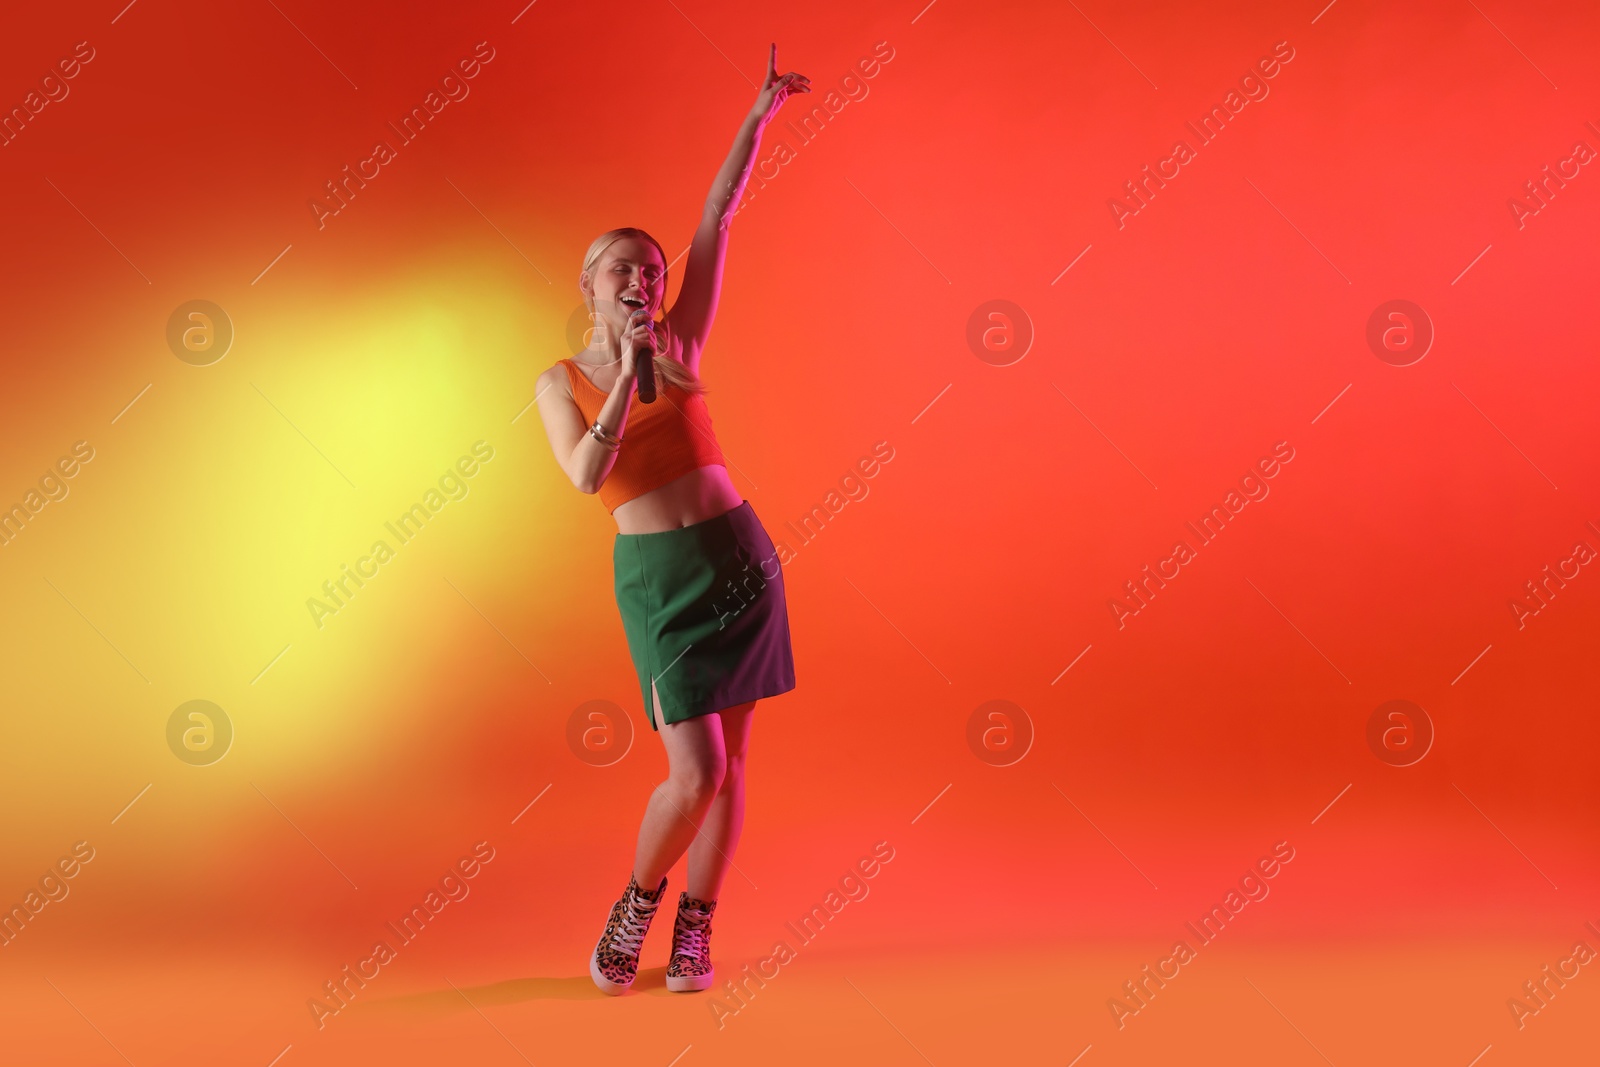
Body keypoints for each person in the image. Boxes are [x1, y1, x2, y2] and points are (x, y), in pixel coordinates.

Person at [533, 45, 811, 996]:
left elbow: (717, 211)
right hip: (659, 580)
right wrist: (627, 379)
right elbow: (584, 473)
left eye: (651, 269)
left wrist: (761, 114)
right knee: (691, 772)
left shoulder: (683, 342)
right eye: (622, 268)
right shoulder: (561, 380)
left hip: (741, 556)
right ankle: (638, 902)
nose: (642, 278)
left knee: (730, 773)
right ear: (588, 283)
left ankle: (698, 929)